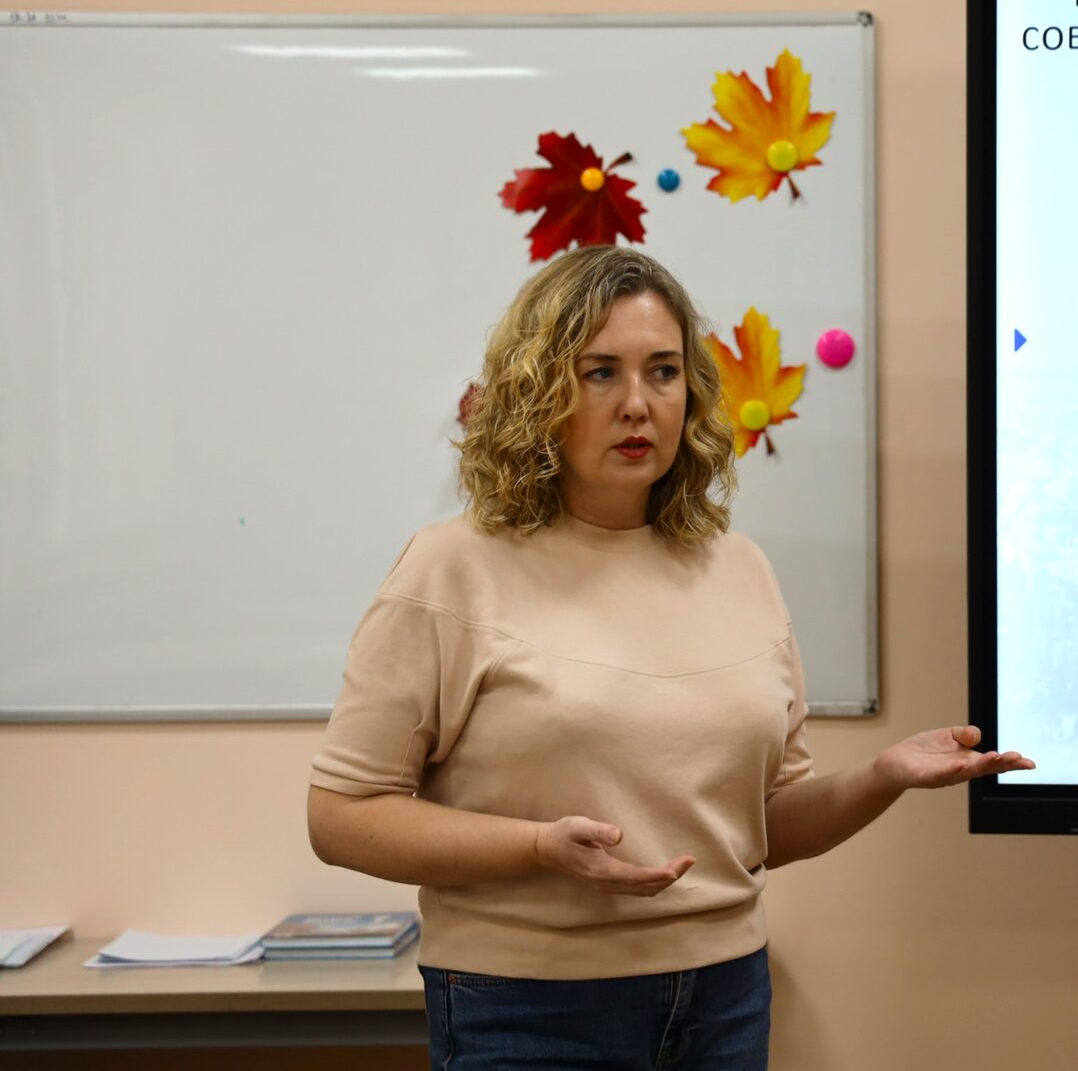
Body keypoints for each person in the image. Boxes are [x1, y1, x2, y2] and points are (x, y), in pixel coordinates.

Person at [306, 245, 1033, 1070]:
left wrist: (880, 777)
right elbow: (342, 817)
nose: (637, 405)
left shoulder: (740, 568)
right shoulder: (451, 567)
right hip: (527, 1009)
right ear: (538, 390)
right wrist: (537, 848)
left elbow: (763, 826)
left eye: (662, 372)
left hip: (726, 1000)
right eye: (600, 373)